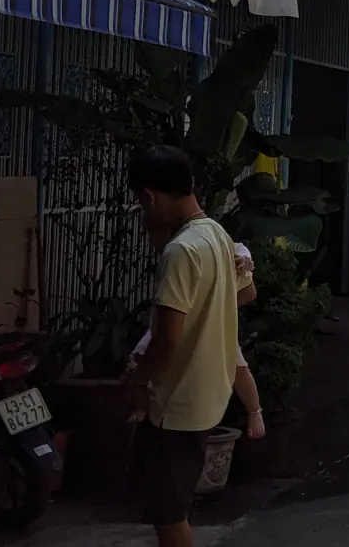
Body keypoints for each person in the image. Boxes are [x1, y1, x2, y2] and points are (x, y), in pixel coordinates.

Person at [122, 146, 239, 547]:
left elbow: (168, 336)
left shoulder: (182, 250)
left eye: (142, 202)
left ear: (150, 197)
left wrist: (139, 380)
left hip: (177, 403)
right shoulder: (217, 236)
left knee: (169, 515)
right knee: (167, 507)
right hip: (206, 394)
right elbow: (242, 294)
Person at [126, 242, 265, 441]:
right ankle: (141, 407)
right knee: (139, 358)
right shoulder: (182, 253)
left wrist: (244, 261)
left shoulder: (221, 247)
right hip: (179, 318)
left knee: (239, 369)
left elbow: (241, 253)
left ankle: (255, 411)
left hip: (213, 325)